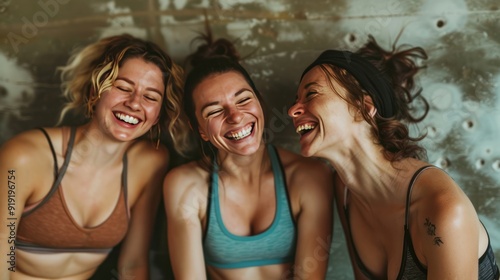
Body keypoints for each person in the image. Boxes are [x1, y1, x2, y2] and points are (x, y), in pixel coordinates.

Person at [288, 35, 500, 279]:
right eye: (296, 101)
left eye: (311, 94)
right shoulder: (345, 191)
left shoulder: (442, 211)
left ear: (363, 106)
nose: (292, 111)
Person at [0, 34, 189, 280]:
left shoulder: (150, 163)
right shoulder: (24, 156)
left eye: (150, 97)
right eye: (123, 87)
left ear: (158, 114)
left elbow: (132, 263)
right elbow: (3, 248)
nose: (134, 103)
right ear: (95, 90)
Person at [163, 28, 334, 280]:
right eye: (213, 111)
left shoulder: (309, 176)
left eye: (243, 100)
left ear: (260, 102)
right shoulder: (185, 185)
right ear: (199, 130)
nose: (235, 116)